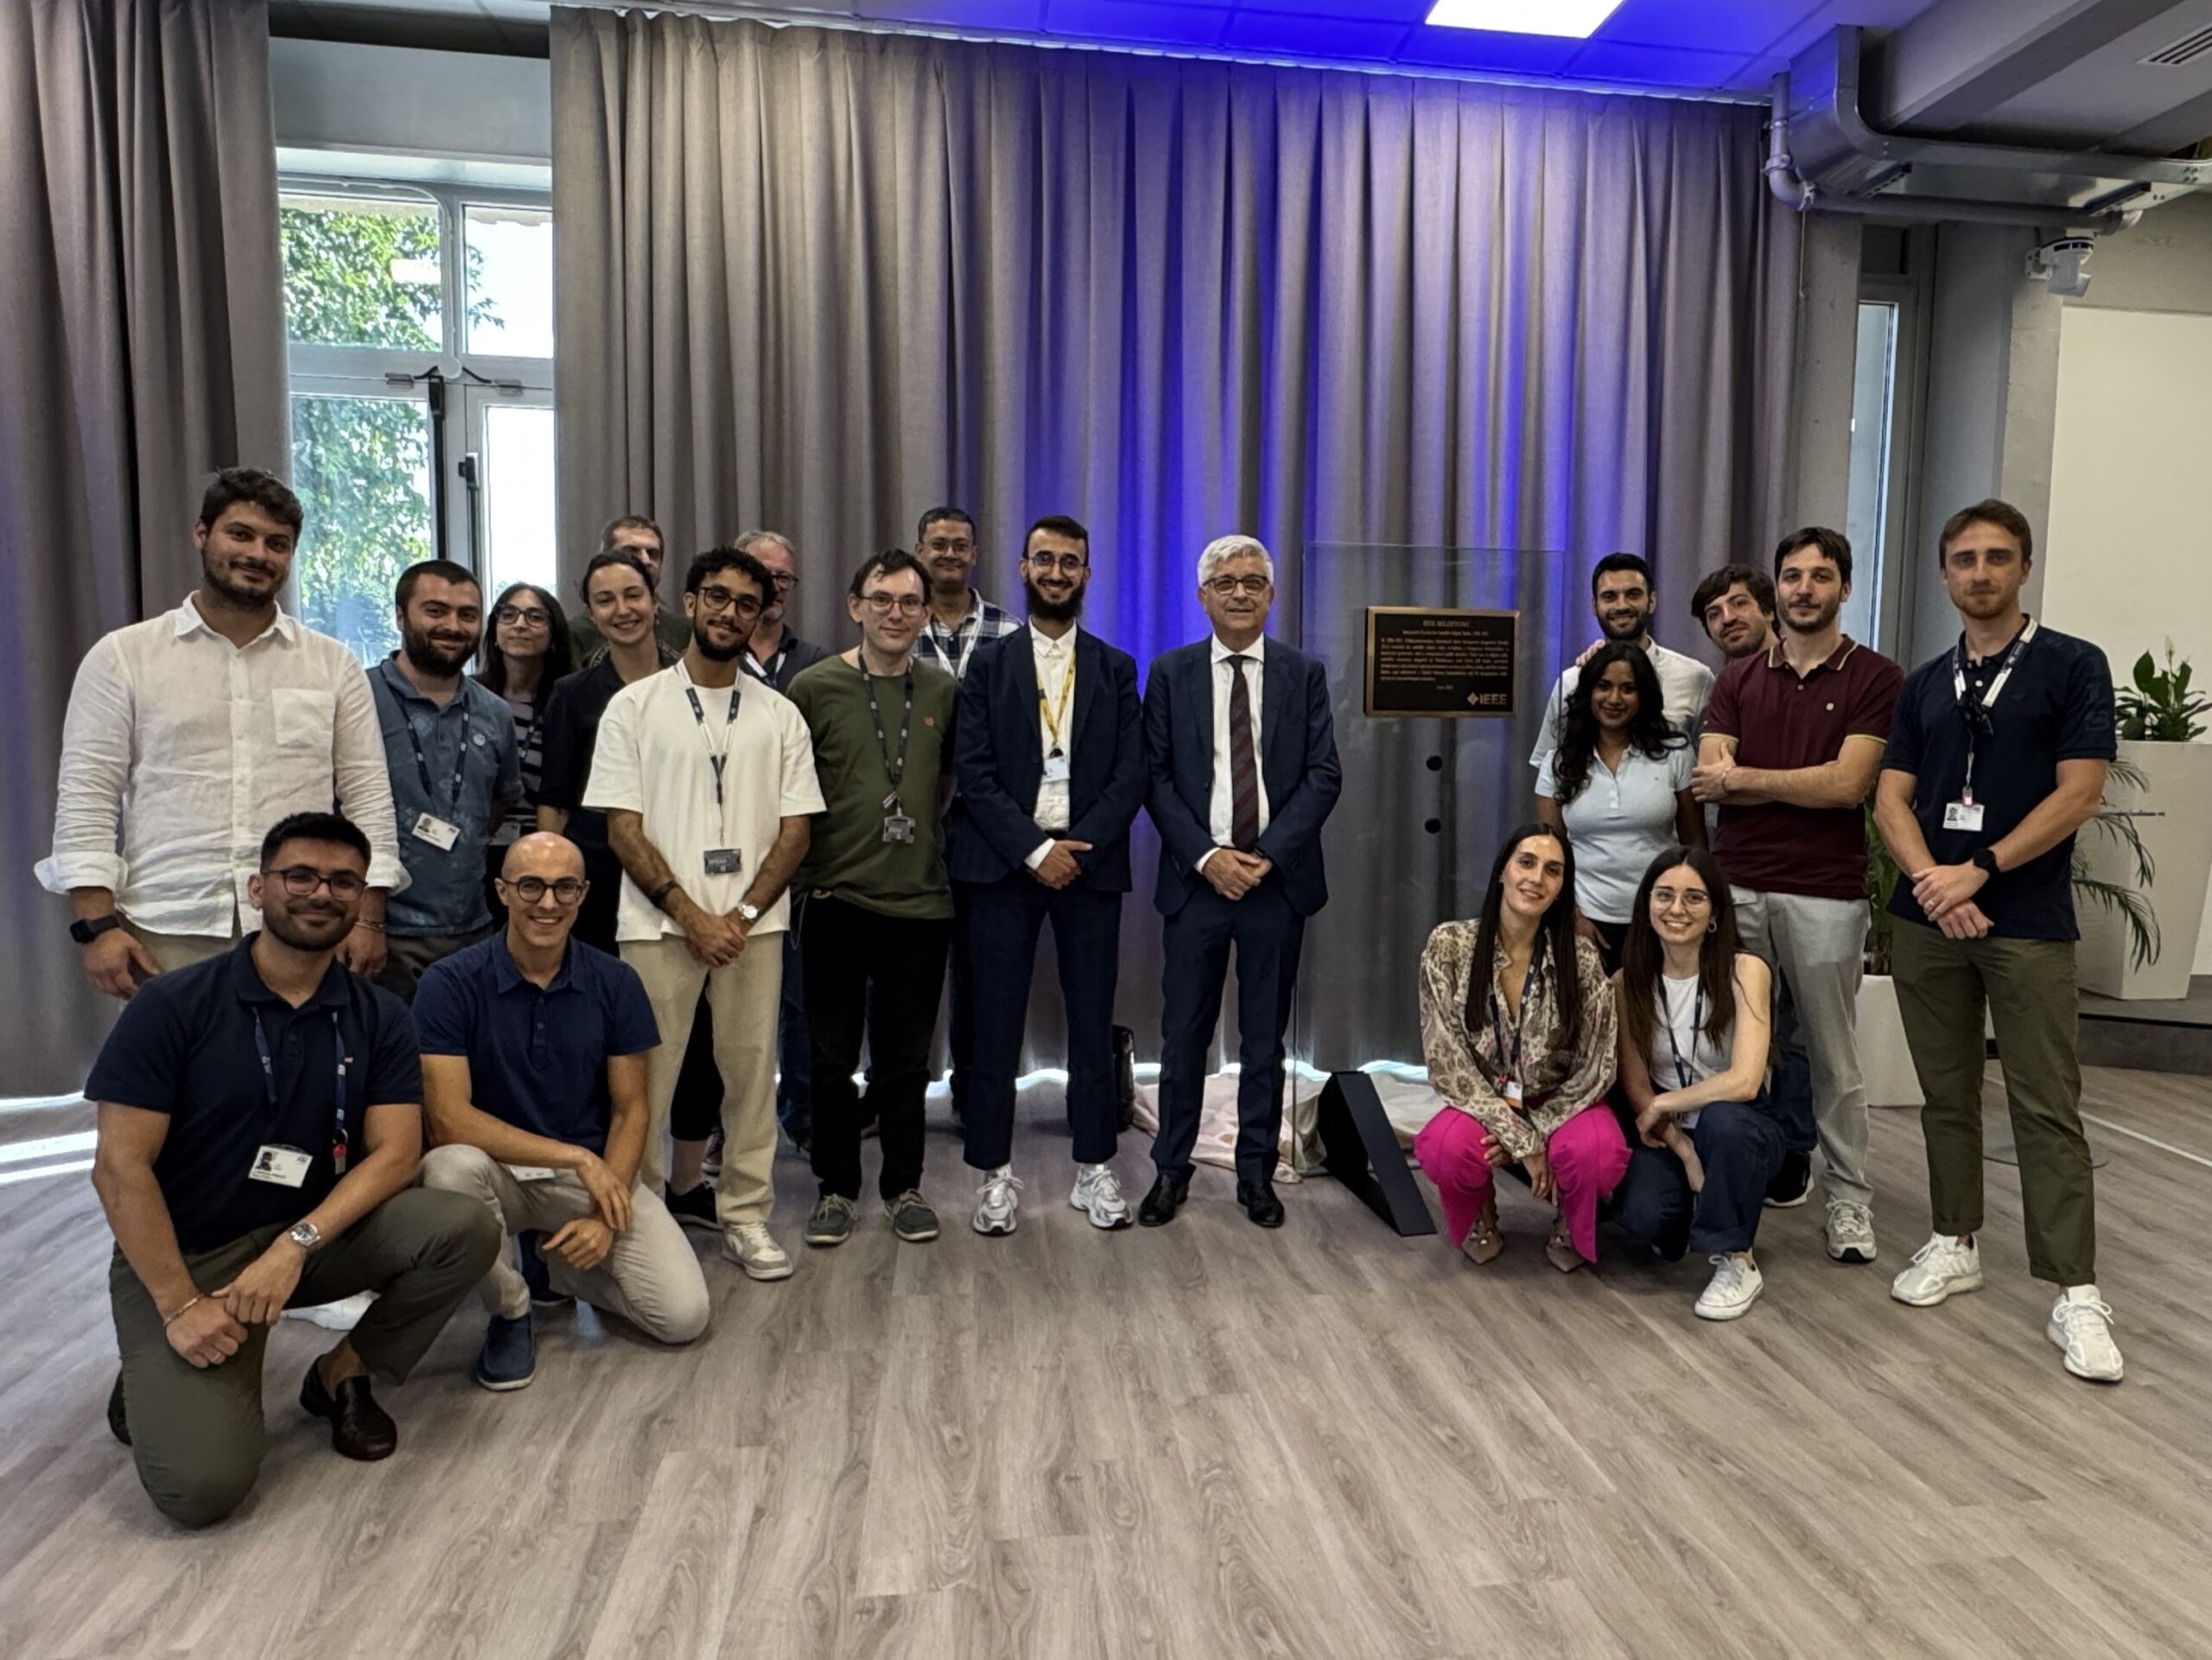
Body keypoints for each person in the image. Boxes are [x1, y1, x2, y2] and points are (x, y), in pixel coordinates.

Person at [86, 811, 501, 1529]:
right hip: (195, 1254)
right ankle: (159, 1350)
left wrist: (293, 1247)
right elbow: (120, 1169)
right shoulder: (172, 1004)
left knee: (461, 1224)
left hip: (308, 1237)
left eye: (344, 881)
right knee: (201, 1489)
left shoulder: (379, 1015)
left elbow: (398, 1151)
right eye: (300, 875)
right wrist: (181, 1303)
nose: (322, 892)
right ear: (258, 887)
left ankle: (342, 1371)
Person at [1875, 499, 2122, 1383]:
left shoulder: (2069, 666)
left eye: (1996, 557)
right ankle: (1953, 1239)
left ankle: (2075, 1290)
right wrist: (1934, 885)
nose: (1979, 572)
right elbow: (1891, 799)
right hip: (1929, 922)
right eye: (1963, 559)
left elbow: (2079, 793)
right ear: (1943, 574)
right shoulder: (1924, 683)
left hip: (2023, 922)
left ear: (2023, 568)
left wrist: (1976, 868)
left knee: (2044, 1105)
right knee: (1945, 1095)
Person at [41, 467, 405, 994]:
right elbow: (86, 799)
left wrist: (369, 917)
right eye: (241, 534)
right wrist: (97, 927)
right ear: (202, 534)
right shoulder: (124, 657)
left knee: (301, 1075)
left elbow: (368, 796)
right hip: (166, 925)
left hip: (301, 923)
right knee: (176, 1076)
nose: (258, 554)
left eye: (277, 543)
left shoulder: (332, 665)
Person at [586, 547, 821, 1283]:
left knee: (752, 1073)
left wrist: (743, 912)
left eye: (745, 603)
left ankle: (746, 1215)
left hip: (755, 927)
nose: (728, 612)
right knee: (646, 1080)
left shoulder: (780, 713)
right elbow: (622, 826)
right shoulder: (634, 706)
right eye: (715, 597)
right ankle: (645, 1216)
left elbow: (797, 829)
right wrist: (689, 912)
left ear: (761, 617)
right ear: (687, 602)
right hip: (657, 924)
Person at [416, 833, 710, 1390]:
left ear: (583, 894)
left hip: (586, 1180)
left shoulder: (616, 982)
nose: (547, 903)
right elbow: (448, 1120)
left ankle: (554, 1262)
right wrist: (576, 1156)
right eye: (530, 885)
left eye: (563, 888)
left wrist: (603, 1218)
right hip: (496, 1170)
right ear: (501, 891)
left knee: (682, 1318)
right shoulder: (448, 983)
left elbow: (631, 1111)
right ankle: (511, 1309)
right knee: (448, 1167)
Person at [1693, 527, 1903, 1265]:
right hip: (1739, 884)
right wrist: (1787, 782)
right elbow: (1706, 772)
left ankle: (1848, 1198)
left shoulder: (1875, 677)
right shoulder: (1740, 678)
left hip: (1824, 894)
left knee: (1831, 1055)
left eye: (1820, 576)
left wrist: (1747, 779)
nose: (1803, 589)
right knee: (1734, 1043)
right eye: (1791, 576)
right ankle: (1735, 1183)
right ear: (1776, 587)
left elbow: (1848, 785)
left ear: (1845, 587)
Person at [950, 514, 1147, 1235]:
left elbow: (1133, 771)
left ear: (1088, 574)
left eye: (1071, 561)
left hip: (1089, 867)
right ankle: (993, 1175)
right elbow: (971, 771)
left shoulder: (1117, 667)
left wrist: (1079, 844)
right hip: (1003, 866)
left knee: (1092, 1023)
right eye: (1045, 560)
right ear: (1023, 568)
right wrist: (1035, 849)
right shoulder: (988, 665)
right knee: (994, 1026)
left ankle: (1094, 1169)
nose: (1058, 572)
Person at [1140, 534, 1342, 1229]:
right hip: (1197, 884)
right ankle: (1171, 1168)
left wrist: (1267, 855)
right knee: (1182, 1038)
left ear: (1271, 594)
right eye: (1225, 581)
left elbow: (1324, 774)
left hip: (1274, 885)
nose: (1240, 592)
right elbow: (1156, 777)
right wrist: (1208, 857)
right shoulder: (1170, 672)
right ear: (1202, 596)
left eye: (1253, 580)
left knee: (1264, 1041)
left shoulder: (1302, 672)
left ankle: (1256, 1173)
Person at [785, 550, 961, 1249]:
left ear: (925, 612)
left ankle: (903, 1185)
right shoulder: (813, 686)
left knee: (907, 1059)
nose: (896, 613)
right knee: (830, 1056)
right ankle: (835, 1188)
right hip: (835, 897)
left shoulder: (944, 690)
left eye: (910, 602)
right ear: (855, 605)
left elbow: (945, 782)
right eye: (882, 599)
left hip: (920, 904)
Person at [1413, 825, 1625, 1269]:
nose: (1536, 879)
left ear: (1562, 888)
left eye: (1553, 871)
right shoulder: (1449, 946)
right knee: (1445, 1147)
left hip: (1561, 1103)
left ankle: (1572, 1216)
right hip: (1485, 1100)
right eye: (1526, 863)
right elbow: (1447, 1061)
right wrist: (1516, 1137)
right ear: (1502, 873)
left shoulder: (1581, 959)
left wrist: (1537, 1132)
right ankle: (1480, 1212)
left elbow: (1597, 1066)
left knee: (1598, 1152)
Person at [1608, 848, 1784, 1320]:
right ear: (1646, 906)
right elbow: (1637, 1090)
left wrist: (1667, 1101)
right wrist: (1684, 1150)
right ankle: (1701, 1212)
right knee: (1645, 1218)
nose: (1676, 909)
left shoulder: (1746, 971)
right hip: (1670, 1136)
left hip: (1742, 1128)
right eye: (1663, 896)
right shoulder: (1627, 984)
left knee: (1725, 1122)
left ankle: (1737, 1260)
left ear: (1713, 913)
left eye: (1693, 898)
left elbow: (1746, 1081)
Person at [368, 560, 522, 1000]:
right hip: (381, 932)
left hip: (472, 932)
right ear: (401, 616)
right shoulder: (358, 699)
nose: (452, 626)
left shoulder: (495, 713)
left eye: (467, 615)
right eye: (435, 610)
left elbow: (497, 806)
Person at [733, 528, 832, 1154]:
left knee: (803, 1002)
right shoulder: (705, 659)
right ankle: (727, 1127)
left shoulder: (819, 663)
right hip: (721, 856)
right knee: (729, 1011)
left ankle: (802, 1116)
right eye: (759, 573)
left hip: (801, 860)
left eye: (784, 578)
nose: (772, 587)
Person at [1534, 640, 1703, 970]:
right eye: (1604, 686)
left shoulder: (1675, 753)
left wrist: (1686, 913)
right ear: (1588, 692)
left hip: (1665, 920)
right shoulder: (1558, 762)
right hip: (1586, 924)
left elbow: (1695, 843)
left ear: (1644, 695)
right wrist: (1572, 918)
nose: (1614, 699)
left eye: (1628, 689)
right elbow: (1550, 854)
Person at [537, 551, 673, 952]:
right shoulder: (571, 693)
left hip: (678, 867)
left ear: (654, 602)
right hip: (598, 872)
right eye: (606, 600)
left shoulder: (690, 685)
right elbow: (556, 800)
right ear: (591, 615)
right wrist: (549, 880)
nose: (623, 610)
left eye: (633, 595)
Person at [1529, 552, 1714, 779]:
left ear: (1652, 601)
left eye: (1633, 594)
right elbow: (1549, 769)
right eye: (1609, 596)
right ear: (1594, 605)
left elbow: (1710, 771)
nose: (1621, 605)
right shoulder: (1571, 682)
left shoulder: (1696, 678)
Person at [475, 581, 575, 913]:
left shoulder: (565, 701)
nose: (520, 624)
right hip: (476, 848)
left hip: (542, 847)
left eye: (535, 617)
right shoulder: (472, 697)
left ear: (554, 634)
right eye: (509, 614)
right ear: (494, 630)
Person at [564, 514, 691, 664]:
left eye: (653, 554)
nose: (646, 560)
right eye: (632, 551)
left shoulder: (685, 631)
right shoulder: (575, 634)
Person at [1691, 563, 1778, 661]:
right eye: (1714, 614)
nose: (1727, 618)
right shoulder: (1723, 676)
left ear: (1769, 611)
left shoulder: (1797, 670)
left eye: (1739, 603)